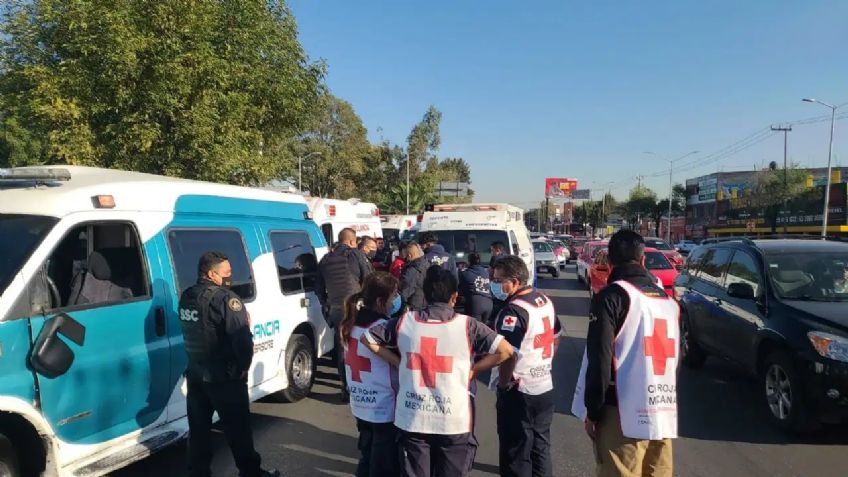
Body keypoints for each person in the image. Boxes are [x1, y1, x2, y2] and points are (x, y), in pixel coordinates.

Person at [362, 267, 514, 477]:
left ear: (424, 295)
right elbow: (505, 351)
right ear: (454, 297)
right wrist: (473, 370)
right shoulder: (468, 326)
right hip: (453, 419)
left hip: (413, 418)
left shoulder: (404, 322)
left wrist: (398, 362)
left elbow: (368, 338)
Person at [571, 230, 680, 477]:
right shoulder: (666, 299)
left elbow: (599, 357)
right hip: (661, 410)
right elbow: (675, 358)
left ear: (609, 263)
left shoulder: (611, 298)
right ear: (643, 261)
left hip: (621, 412)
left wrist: (593, 411)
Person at [177, 251, 277, 477]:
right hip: (225, 377)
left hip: (196, 375)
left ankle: (198, 473)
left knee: (199, 430)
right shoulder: (226, 299)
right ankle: (251, 472)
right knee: (238, 430)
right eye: (226, 273)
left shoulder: (187, 295)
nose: (230, 276)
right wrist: (243, 367)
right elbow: (241, 340)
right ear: (212, 274)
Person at [491, 256, 562, 477]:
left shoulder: (513, 311)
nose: (494, 284)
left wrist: (503, 385)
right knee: (541, 446)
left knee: (516, 450)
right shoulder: (543, 299)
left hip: (519, 389)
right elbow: (556, 336)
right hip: (543, 384)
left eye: (498, 279)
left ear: (514, 281)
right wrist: (545, 363)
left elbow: (507, 354)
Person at [341, 272, 403, 477]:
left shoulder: (349, 323)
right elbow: (400, 362)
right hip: (383, 405)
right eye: (393, 295)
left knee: (367, 454)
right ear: (380, 300)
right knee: (384, 463)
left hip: (360, 400)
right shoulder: (381, 328)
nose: (396, 300)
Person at [317, 227, 368, 402]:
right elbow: (368, 278)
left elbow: (318, 288)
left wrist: (326, 304)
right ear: (352, 241)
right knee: (362, 345)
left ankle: (345, 387)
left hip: (336, 310)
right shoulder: (355, 255)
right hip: (356, 307)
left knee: (342, 348)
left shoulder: (325, 260)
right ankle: (362, 386)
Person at [459, 252, 493, 325]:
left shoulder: (465, 273)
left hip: (475, 304)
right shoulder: (486, 272)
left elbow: (461, 287)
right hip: (489, 303)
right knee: (483, 329)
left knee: (473, 330)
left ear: (468, 261)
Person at [399, 241, 429, 312]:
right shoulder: (428, 264)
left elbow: (405, 291)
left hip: (415, 308)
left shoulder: (412, 270)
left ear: (409, 255)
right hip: (428, 307)